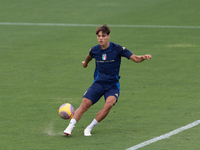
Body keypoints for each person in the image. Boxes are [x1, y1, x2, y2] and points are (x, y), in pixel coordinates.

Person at [64, 24, 152, 136]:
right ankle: (69, 127)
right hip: (98, 83)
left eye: (103, 36)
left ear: (108, 37)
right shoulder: (94, 50)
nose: (100, 38)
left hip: (112, 85)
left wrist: (143, 58)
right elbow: (89, 56)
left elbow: (135, 58)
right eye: (99, 36)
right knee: (85, 104)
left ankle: (89, 128)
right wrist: (85, 64)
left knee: (109, 104)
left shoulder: (118, 49)